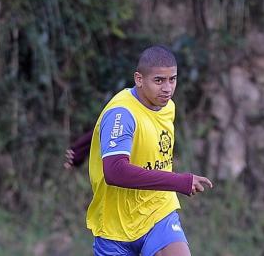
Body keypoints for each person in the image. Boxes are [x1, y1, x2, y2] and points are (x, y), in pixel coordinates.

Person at [83, 45, 213, 256]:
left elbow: (121, 132)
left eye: (173, 79)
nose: (167, 88)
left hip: (158, 213)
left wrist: (81, 147)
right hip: (115, 227)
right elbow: (115, 171)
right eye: (159, 80)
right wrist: (179, 181)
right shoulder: (122, 113)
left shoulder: (167, 106)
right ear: (139, 79)